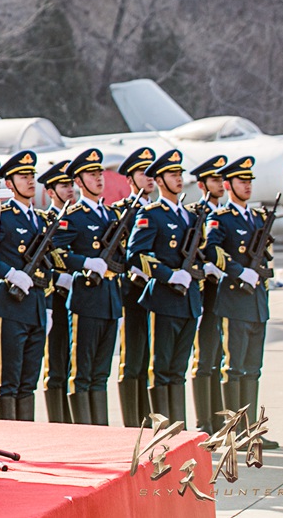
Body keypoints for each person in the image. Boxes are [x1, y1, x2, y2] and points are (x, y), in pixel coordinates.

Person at [202, 156, 278, 448]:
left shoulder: (258, 218)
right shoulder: (220, 218)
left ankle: (252, 430)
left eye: (249, 181)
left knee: (253, 368)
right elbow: (212, 249)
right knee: (233, 368)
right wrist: (237, 270)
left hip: (257, 302)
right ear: (228, 185)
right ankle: (233, 430)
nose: (247, 185)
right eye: (241, 181)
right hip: (234, 300)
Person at [125, 149, 202, 425]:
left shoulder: (190, 217)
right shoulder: (151, 214)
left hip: (189, 300)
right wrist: (169, 275)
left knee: (178, 370)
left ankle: (179, 429)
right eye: (172, 174)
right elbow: (136, 254)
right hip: (164, 299)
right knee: (161, 369)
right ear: (158, 180)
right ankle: (163, 430)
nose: (179, 179)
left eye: (180, 173)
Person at [53, 148, 122, 425]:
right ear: (79, 183)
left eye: (99, 174)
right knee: (81, 372)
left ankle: (101, 429)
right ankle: (84, 432)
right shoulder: (75, 215)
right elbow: (55, 252)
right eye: (91, 175)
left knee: (100, 373)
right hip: (86, 299)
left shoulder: (111, 215)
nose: (98, 179)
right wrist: (85, 262)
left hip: (110, 300)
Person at [0, 151, 57, 421]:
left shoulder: (40, 220)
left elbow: (47, 267)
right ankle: (10, 439)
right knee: (9, 379)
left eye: (31, 176)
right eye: (23, 176)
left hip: (37, 306)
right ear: (9, 183)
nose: (30, 181)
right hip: (11, 307)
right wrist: (9, 273)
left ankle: (27, 437)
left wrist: (49, 307)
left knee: (29, 381)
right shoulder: (3, 215)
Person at [112, 147, 156, 427]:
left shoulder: (159, 212)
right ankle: (132, 425)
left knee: (152, 361)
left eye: (152, 173)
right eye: (143, 173)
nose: (150, 177)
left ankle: (150, 422)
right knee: (133, 359)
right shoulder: (121, 212)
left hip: (158, 294)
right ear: (130, 178)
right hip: (132, 294)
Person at [187, 155, 227, 434]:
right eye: (214, 179)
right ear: (202, 184)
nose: (220, 184)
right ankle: (204, 423)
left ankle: (219, 420)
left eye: (221, 179)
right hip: (204, 292)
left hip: (224, 294)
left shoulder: (224, 213)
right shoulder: (194, 214)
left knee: (218, 357)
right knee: (204, 358)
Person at [36, 160, 74, 423]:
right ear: (50, 192)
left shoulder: (77, 218)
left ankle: (70, 420)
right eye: (63, 185)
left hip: (78, 299)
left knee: (71, 363)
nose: (69, 189)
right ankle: (57, 421)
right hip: (57, 298)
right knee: (56, 364)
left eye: (71, 184)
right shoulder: (48, 220)